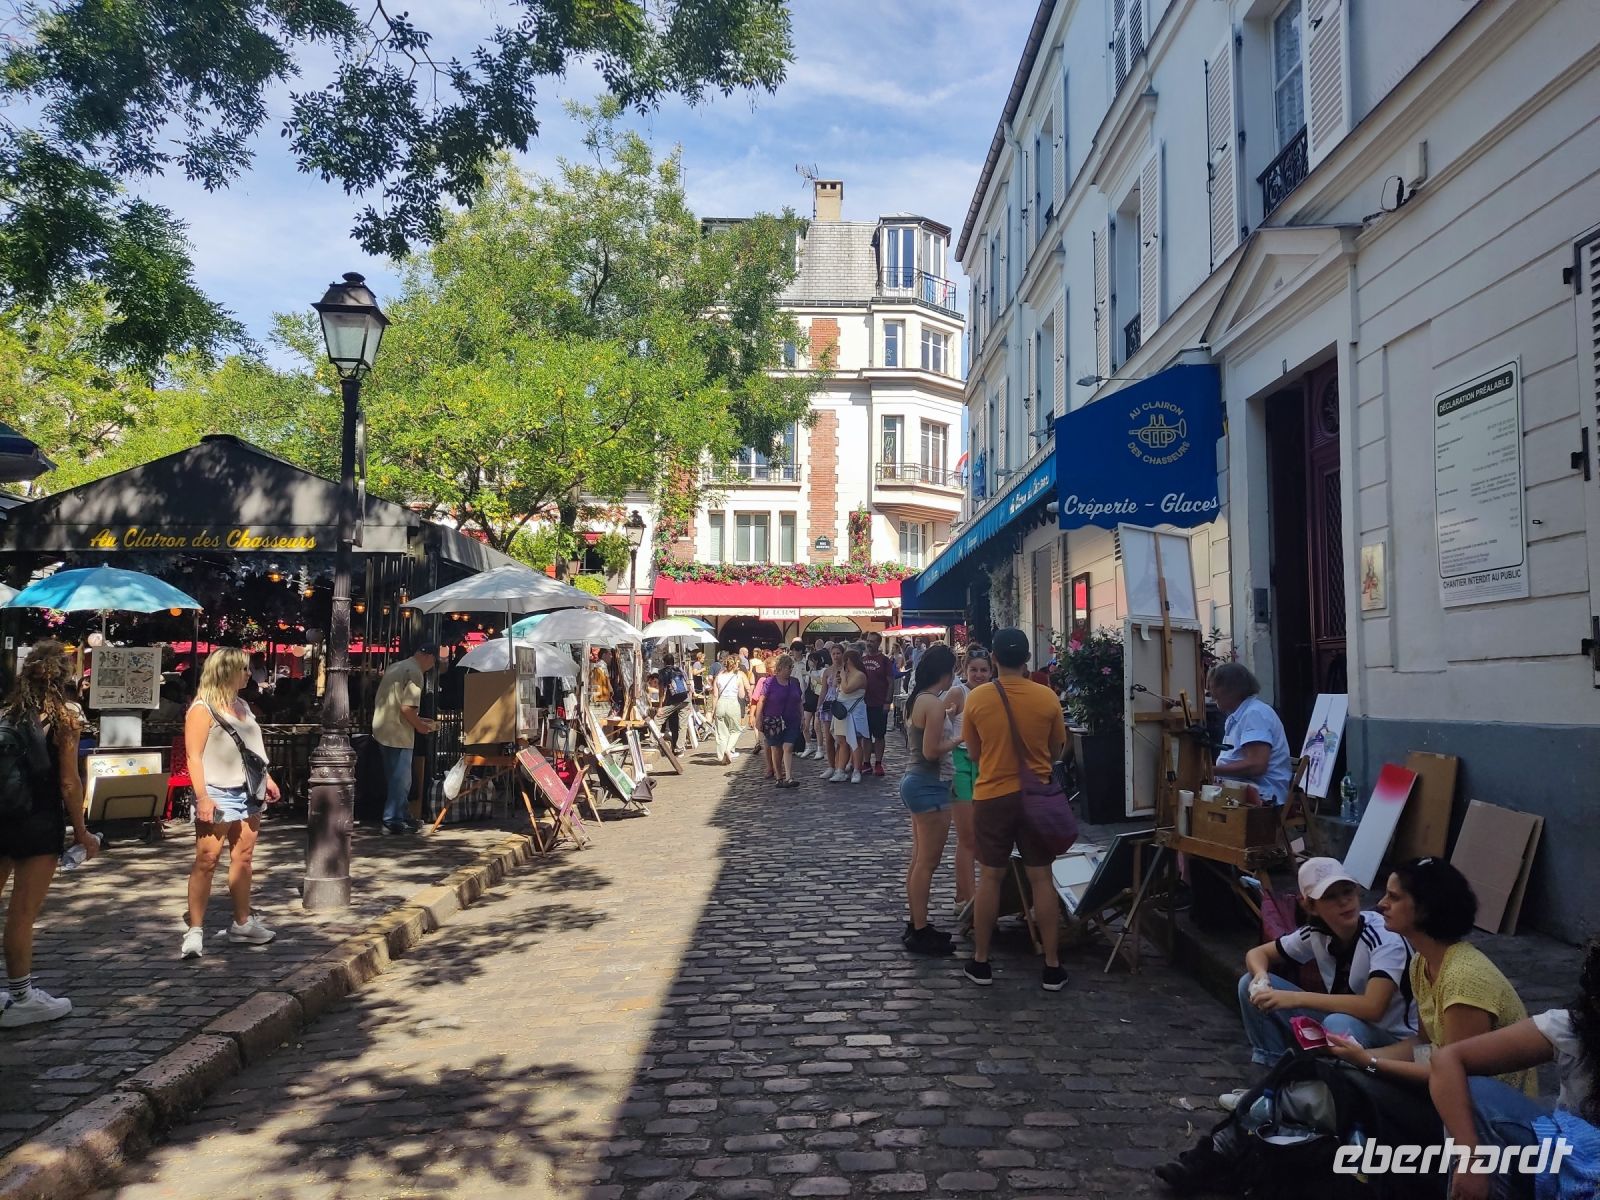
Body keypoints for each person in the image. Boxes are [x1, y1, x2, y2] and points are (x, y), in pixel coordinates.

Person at [1318, 857, 1534, 1093]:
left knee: (1358, 1082)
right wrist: (1359, 1057)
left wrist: (1369, 1064)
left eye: (1394, 897)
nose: (1381, 904)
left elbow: (1456, 1075)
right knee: (1345, 1062)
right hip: (1444, 1076)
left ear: (1425, 909)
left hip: (1484, 1104)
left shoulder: (1463, 979)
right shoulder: (1421, 962)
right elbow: (1424, 1043)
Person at [1226, 856, 1416, 1103]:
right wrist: (1261, 977)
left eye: (1347, 891)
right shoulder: (1316, 933)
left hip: (1393, 1040)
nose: (1343, 901)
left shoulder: (1383, 937)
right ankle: (1270, 1091)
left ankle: (1327, 1100)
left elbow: (1373, 1007)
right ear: (1311, 906)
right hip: (1351, 1023)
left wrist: (1295, 998)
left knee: (1338, 1024)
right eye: (1330, 897)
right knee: (1248, 985)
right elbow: (1257, 954)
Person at [1430, 938, 1599, 1200]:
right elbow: (1447, 1060)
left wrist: (1373, 1063)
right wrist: (1470, 1159)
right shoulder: (1571, 1029)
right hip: (1569, 1159)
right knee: (1473, 1093)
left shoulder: (1464, 975)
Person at [959, 627, 1070, 991]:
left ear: (993, 660)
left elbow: (974, 753)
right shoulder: (1047, 697)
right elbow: (1057, 750)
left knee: (991, 878)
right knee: (1042, 879)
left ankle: (981, 961)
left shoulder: (978, 698)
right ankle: (1052, 965)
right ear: (1027, 660)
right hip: (1036, 796)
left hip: (993, 794)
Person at [0, 641, 99, 1027]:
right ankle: (22, 997)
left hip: (2, 815)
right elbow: (69, 782)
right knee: (22, 913)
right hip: (38, 821)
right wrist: (82, 831)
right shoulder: (65, 717)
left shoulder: (6, 712)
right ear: (64, 678)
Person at [182, 647, 281, 960]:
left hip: (249, 788)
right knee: (207, 859)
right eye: (243, 668)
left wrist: (267, 777)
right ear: (226, 671)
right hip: (218, 790)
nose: (249, 674)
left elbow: (252, 747)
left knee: (244, 857)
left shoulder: (242, 705)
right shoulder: (202, 708)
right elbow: (193, 756)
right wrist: (202, 796)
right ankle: (195, 929)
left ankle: (242, 922)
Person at [900, 644, 962, 956]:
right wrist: (958, 738)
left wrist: (946, 717)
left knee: (918, 859)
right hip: (930, 785)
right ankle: (920, 931)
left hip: (915, 781)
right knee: (928, 861)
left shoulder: (918, 699)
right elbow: (931, 751)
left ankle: (916, 922)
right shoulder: (934, 704)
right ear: (946, 673)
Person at [371, 642, 438, 836]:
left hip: (382, 727)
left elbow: (395, 703)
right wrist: (420, 726)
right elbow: (407, 708)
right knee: (401, 780)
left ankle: (403, 815)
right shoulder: (415, 673)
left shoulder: (396, 667)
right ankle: (393, 820)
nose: (432, 666)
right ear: (429, 657)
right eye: (434, 661)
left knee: (394, 777)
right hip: (398, 732)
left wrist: (419, 720)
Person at [1207, 662, 1293, 805]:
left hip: (1264, 794)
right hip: (1241, 788)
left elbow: (1257, 765)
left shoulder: (1254, 714)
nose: (1211, 692)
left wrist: (1212, 770)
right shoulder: (1238, 715)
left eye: (1214, 686)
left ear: (1231, 689)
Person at [947, 649, 991, 922]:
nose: (978, 674)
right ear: (965, 670)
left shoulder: (995, 694)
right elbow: (937, 725)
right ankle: (970, 901)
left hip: (987, 765)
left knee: (983, 835)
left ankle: (962, 895)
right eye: (973, 669)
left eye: (983, 670)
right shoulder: (957, 693)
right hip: (961, 764)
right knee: (967, 837)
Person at [753, 654, 804, 789]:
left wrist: (802, 717)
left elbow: (799, 701)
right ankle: (779, 777)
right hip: (773, 721)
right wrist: (758, 718)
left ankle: (789, 777)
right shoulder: (770, 682)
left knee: (788, 746)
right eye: (788, 667)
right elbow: (761, 700)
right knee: (776, 748)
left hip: (792, 719)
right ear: (780, 668)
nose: (791, 669)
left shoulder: (794, 682)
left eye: (791, 667)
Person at [826, 648, 870, 784]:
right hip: (842, 711)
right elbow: (838, 687)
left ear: (849, 660)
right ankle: (840, 770)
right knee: (842, 741)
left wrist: (843, 677)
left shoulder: (860, 675)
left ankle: (856, 770)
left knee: (855, 741)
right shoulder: (845, 674)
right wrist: (839, 680)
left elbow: (847, 688)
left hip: (854, 711)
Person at [860, 631, 893, 776]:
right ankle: (866, 763)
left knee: (879, 735)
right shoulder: (862, 660)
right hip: (864, 703)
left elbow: (890, 682)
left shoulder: (884, 660)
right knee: (866, 735)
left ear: (878, 643)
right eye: (868, 640)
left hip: (880, 703)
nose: (869, 643)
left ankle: (878, 763)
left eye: (872, 641)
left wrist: (887, 701)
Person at [709, 654, 747, 765]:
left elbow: (715, 695)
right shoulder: (737, 677)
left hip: (720, 703)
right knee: (736, 729)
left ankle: (722, 757)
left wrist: (713, 711)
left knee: (721, 733)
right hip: (732, 703)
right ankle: (729, 749)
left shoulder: (719, 676)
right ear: (735, 665)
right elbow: (741, 695)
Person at [654, 652, 692, 754]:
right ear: (673, 661)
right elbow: (689, 685)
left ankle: (653, 742)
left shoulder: (663, 672)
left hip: (673, 701)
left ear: (664, 662)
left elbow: (661, 691)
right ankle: (679, 748)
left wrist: (660, 707)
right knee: (682, 725)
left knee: (658, 719)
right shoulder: (680, 670)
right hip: (685, 699)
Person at [799, 649, 827, 760]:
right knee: (805, 726)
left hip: (818, 700)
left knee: (817, 727)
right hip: (809, 700)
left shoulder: (823, 670)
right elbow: (806, 685)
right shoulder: (808, 671)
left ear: (816, 661)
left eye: (811, 660)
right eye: (809, 660)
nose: (809, 662)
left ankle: (820, 749)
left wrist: (809, 674)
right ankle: (809, 746)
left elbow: (821, 682)